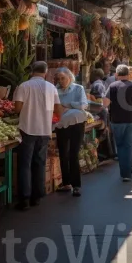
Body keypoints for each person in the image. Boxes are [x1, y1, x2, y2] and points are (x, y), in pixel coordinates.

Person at [13, 61, 63, 210]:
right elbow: (58, 111)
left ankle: (25, 199)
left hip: (27, 129)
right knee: (39, 163)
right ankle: (37, 196)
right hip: (44, 131)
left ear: (32, 71)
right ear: (46, 72)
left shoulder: (24, 86)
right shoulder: (51, 88)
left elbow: (17, 109)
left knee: (25, 164)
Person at [103, 65, 132, 182]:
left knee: (120, 146)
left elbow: (105, 104)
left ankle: (124, 173)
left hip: (117, 121)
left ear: (116, 74)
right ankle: (128, 172)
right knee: (129, 146)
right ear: (128, 74)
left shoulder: (112, 86)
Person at [53, 67, 88, 197]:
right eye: (59, 79)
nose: (61, 81)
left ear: (70, 77)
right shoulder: (55, 90)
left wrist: (67, 105)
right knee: (63, 153)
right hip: (61, 125)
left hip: (77, 124)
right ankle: (66, 183)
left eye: (63, 78)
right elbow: (55, 107)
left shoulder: (78, 88)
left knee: (73, 153)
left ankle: (76, 185)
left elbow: (83, 105)